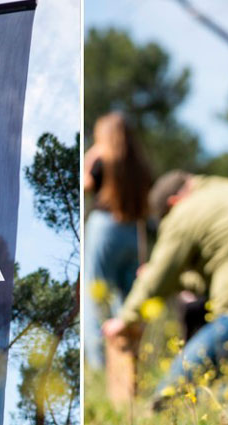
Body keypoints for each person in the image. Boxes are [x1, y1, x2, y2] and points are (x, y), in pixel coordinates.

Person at [102, 171, 228, 405]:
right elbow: (219, 265)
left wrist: (125, 318)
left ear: (173, 203)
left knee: (167, 400)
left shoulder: (184, 211)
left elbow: (161, 274)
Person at [83, 112, 153, 369]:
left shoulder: (102, 160)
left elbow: (85, 182)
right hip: (135, 231)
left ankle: (101, 364)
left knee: (96, 299)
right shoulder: (140, 165)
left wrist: (94, 151)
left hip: (105, 227)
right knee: (129, 303)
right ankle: (131, 363)